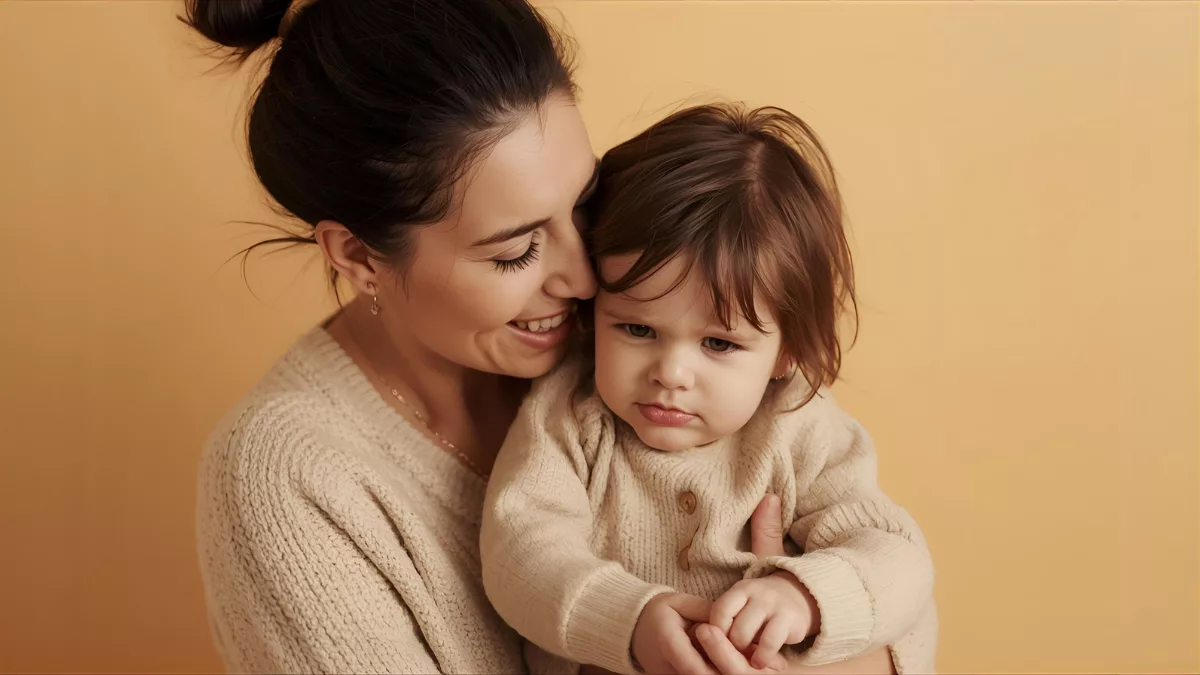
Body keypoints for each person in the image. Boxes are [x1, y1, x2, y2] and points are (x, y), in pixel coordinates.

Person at [185, 0, 904, 672]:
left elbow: (899, 595)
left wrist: (814, 619)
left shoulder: (646, 341)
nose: (585, 279)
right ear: (357, 255)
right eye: (514, 252)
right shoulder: (288, 478)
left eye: (585, 204)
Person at [481, 104, 938, 675]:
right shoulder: (570, 415)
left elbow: (897, 557)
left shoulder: (797, 424)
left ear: (787, 352)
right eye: (637, 329)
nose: (671, 372)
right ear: (592, 311)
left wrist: (805, 598)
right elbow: (520, 552)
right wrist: (632, 619)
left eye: (719, 345)